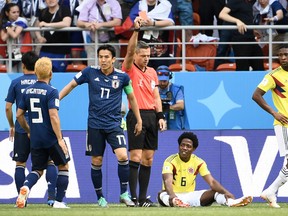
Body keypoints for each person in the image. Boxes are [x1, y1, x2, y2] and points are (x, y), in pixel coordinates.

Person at [59, 44, 142, 208]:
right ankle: (100, 197)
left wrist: (138, 119)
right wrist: (57, 100)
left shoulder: (122, 77)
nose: (103, 60)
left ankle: (124, 193)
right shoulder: (90, 72)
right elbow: (71, 85)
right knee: (97, 161)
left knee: (123, 156)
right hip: (95, 125)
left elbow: (132, 98)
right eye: (101, 57)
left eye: (106, 57)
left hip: (114, 124)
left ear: (113, 59)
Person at [121, 17, 166, 207]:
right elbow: (129, 51)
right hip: (136, 115)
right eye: (143, 55)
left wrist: (160, 115)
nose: (146, 58)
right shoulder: (129, 69)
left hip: (151, 116)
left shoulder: (152, 72)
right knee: (136, 157)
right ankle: (132, 197)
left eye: (148, 55)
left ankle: (142, 198)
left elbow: (156, 96)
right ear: (137, 55)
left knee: (148, 159)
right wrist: (136, 31)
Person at [15, 57, 70, 209]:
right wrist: (59, 139)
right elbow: (53, 116)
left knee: (37, 170)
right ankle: (58, 201)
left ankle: (25, 187)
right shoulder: (52, 91)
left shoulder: (27, 91)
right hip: (50, 137)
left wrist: (28, 130)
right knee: (63, 166)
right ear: (51, 73)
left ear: (36, 73)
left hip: (35, 138)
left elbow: (19, 115)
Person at [5, 51, 58, 206]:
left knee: (20, 163)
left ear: (23, 65)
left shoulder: (16, 82)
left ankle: (21, 197)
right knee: (50, 163)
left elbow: (8, 108)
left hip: (22, 129)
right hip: (42, 130)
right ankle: (51, 198)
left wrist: (12, 126)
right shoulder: (44, 84)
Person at [157, 131, 253, 207]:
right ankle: (176, 202)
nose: (184, 148)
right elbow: (167, 181)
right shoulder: (170, 161)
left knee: (215, 193)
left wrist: (226, 193)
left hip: (190, 195)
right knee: (162, 195)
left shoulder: (199, 162)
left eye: (188, 146)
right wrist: (173, 195)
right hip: (172, 195)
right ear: (179, 146)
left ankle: (231, 202)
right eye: (182, 145)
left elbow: (212, 182)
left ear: (193, 149)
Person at [252, 44, 288, 208]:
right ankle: (271, 190)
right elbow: (256, 95)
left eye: (286, 55)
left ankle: (271, 192)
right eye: (280, 55)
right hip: (284, 124)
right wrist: (274, 113)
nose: (283, 58)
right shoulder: (273, 76)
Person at [219, 0, 264, 71]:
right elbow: (222, 14)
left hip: (251, 39)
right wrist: (237, 21)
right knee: (242, 68)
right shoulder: (236, 1)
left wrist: (252, 30)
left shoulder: (251, 3)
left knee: (259, 64)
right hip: (240, 40)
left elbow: (246, 18)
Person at [76, 0, 122, 66]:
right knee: (93, 70)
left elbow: (117, 22)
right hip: (93, 43)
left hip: (111, 42)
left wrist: (101, 25)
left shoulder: (113, 2)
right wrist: (86, 24)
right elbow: (79, 22)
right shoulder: (88, 3)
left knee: (112, 69)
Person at [35, 0, 72, 72]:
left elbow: (66, 23)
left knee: (59, 74)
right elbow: (36, 26)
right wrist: (39, 37)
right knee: (43, 73)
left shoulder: (64, 10)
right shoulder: (43, 12)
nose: (51, 0)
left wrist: (47, 24)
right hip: (45, 49)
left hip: (61, 50)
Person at [0, 3, 31, 72]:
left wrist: (8, 28)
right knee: (11, 74)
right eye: (13, 12)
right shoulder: (5, 22)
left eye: (18, 12)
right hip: (10, 52)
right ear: (7, 13)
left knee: (22, 74)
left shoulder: (22, 20)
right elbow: (3, 38)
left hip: (22, 52)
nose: (16, 14)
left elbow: (14, 35)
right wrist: (9, 27)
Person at [156, 65, 189, 130]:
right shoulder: (153, 89)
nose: (162, 83)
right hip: (158, 119)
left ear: (169, 77)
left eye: (164, 81)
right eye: (160, 81)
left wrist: (168, 107)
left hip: (174, 120)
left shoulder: (176, 89)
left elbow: (181, 105)